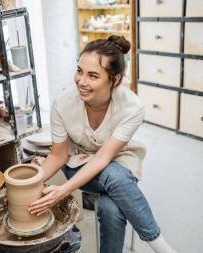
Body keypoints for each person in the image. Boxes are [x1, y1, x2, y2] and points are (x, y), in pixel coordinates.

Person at [28, 35, 177, 253]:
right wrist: (27, 184)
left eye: (93, 76)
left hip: (117, 159)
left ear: (115, 79)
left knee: (111, 208)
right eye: (79, 71)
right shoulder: (62, 103)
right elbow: (58, 156)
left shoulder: (132, 107)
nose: (81, 81)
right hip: (77, 162)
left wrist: (61, 191)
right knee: (115, 178)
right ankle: (164, 249)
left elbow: (103, 158)